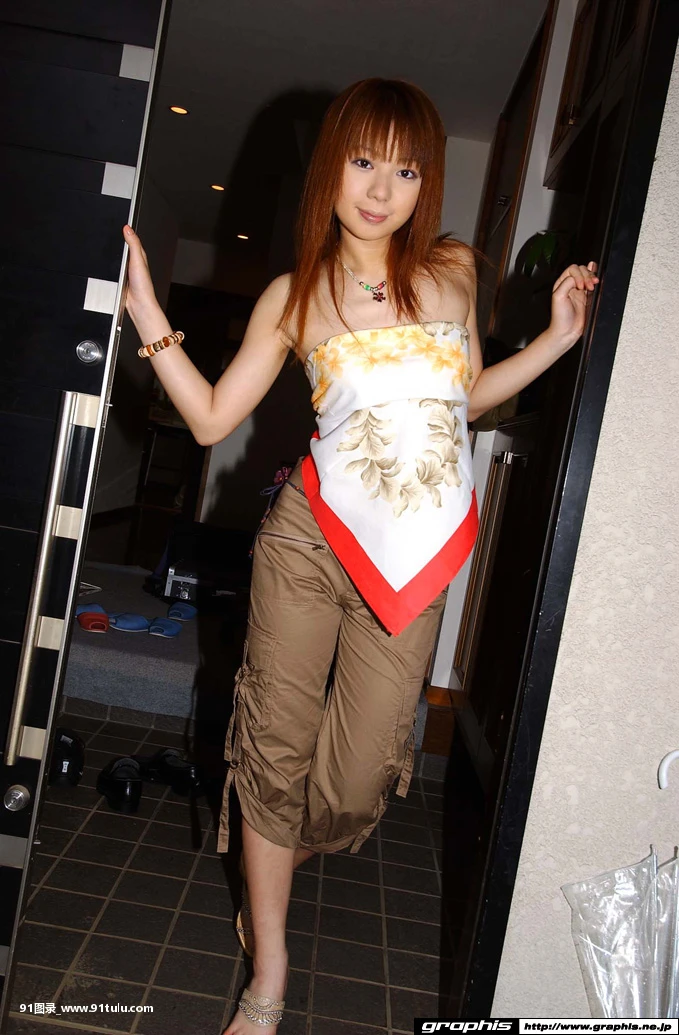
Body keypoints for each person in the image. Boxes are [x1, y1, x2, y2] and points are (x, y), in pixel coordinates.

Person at [123, 78, 598, 1033]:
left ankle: (271, 857)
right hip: (309, 543)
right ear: (330, 167)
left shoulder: (453, 271)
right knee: (274, 746)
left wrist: (555, 340)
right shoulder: (294, 295)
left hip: (410, 559)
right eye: (364, 160)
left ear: (429, 182)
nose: (382, 189)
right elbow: (212, 417)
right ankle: (268, 979)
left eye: (407, 169)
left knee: (354, 778)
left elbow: (462, 398)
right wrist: (146, 313)